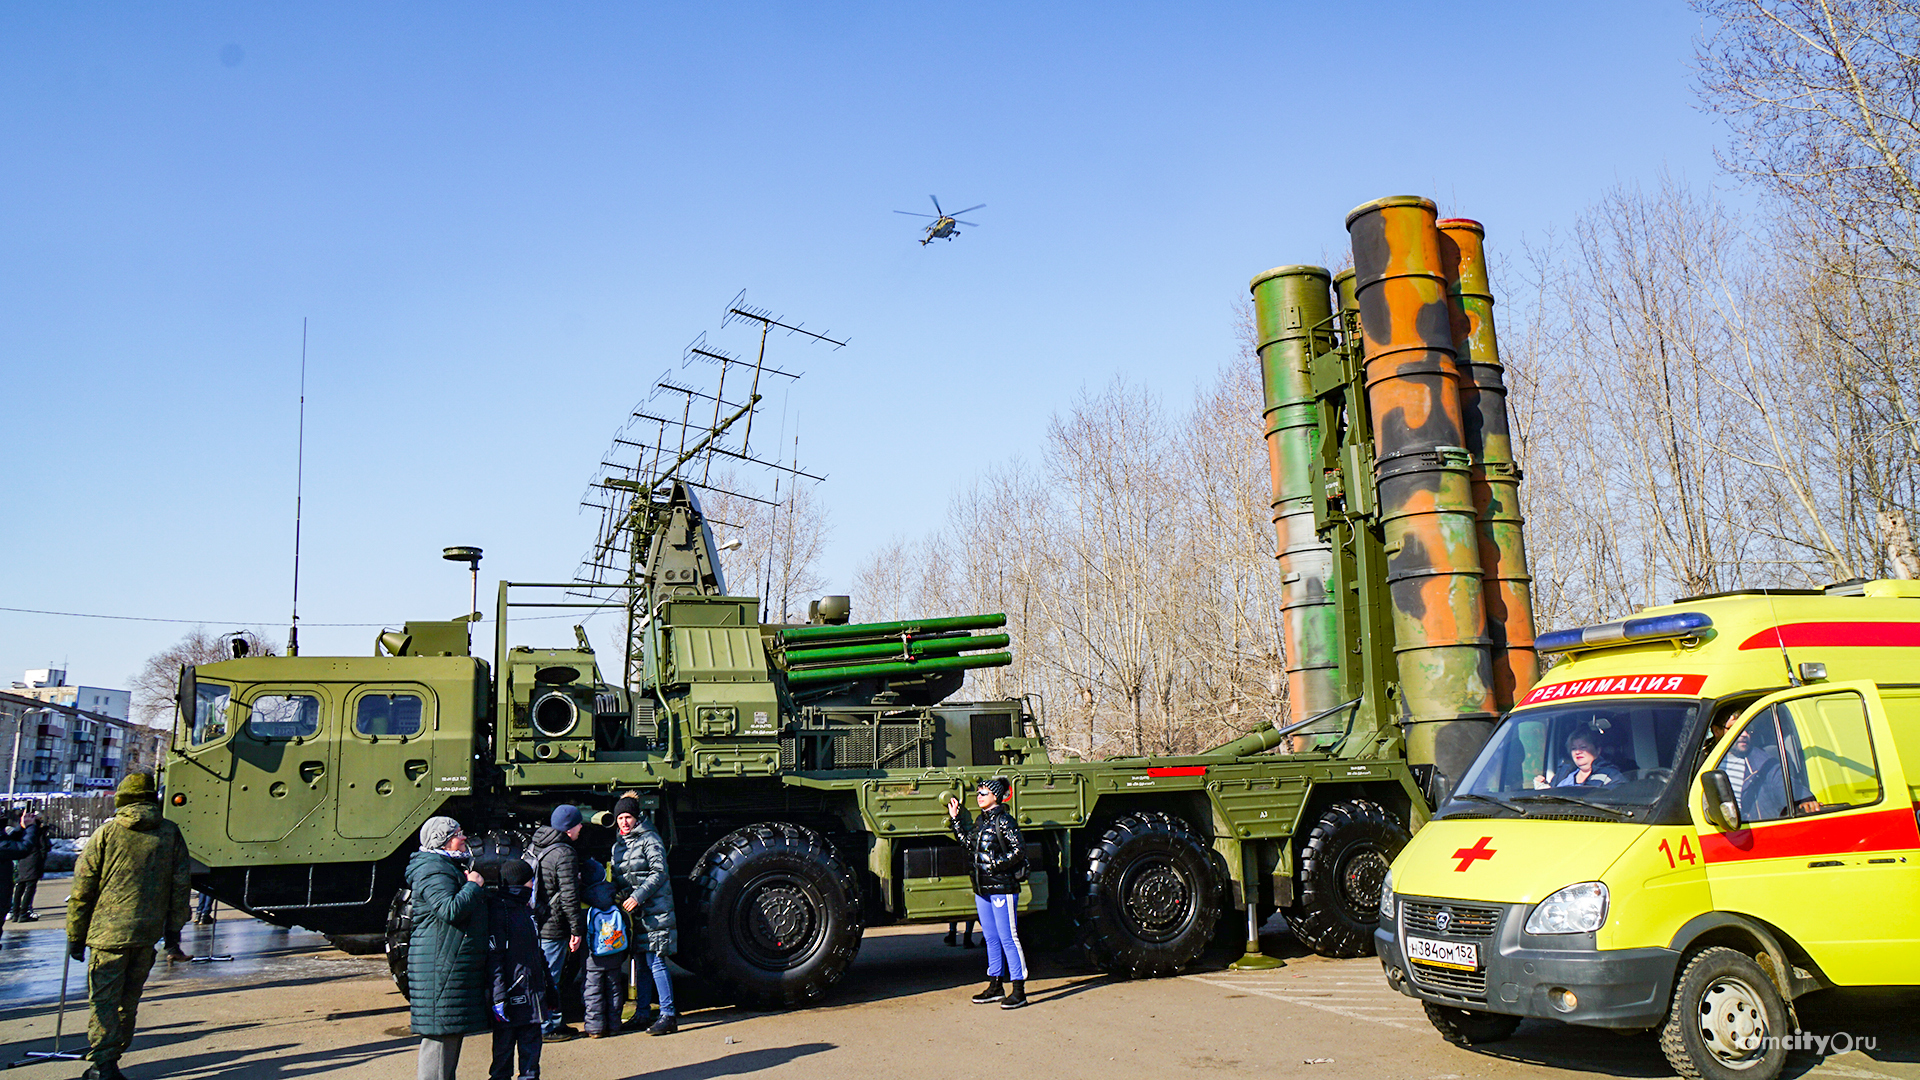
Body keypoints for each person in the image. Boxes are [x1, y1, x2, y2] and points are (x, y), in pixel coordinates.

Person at [65, 774, 189, 1080]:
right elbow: (181, 886)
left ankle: (103, 1066)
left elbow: (82, 890)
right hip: (146, 935)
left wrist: (75, 936)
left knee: (104, 1002)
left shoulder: (106, 833)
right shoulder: (170, 834)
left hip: (107, 935)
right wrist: (173, 932)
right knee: (129, 1001)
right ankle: (113, 1057)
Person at [407, 816, 490, 1080]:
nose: (464, 837)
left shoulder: (442, 865)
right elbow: (450, 909)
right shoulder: (433, 869)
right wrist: (472, 886)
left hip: (446, 963)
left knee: (448, 1036)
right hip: (441, 965)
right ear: (443, 840)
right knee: (441, 1040)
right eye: (458, 833)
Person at [946, 776, 1029, 1010]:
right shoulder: (981, 822)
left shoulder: (1005, 821)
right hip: (982, 889)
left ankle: (1019, 990)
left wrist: (996, 864)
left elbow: (1019, 850)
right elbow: (969, 844)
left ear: (996, 796)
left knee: (1008, 938)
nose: (979, 796)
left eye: (983, 793)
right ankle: (995, 985)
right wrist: (955, 821)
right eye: (978, 792)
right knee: (991, 938)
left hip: (1002, 887)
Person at [610, 795, 677, 1035]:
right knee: (640, 964)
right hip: (635, 916)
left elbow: (659, 872)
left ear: (636, 817)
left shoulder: (650, 839)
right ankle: (642, 1013)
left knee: (656, 962)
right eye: (620, 818)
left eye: (628, 817)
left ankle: (668, 1015)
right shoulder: (618, 846)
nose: (624, 822)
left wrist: (637, 896)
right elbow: (619, 878)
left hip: (655, 911)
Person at [522, 805, 586, 1041]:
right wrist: (576, 929)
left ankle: (555, 1022)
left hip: (538, 919)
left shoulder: (538, 844)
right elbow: (569, 895)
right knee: (550, 978)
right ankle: (546, 1027)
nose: (581, 828)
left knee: (545, 975)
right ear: (569, 828)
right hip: (554, 924)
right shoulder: (565, 853)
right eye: (578, 824)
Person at [486, 858, 548, 1080]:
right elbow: (495, 959)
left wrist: (549, 989)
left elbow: (536, 953)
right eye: (531, 881)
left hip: (532, 996)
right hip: (512, 995)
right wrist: (499, 996)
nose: (533, 885)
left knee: (531, 1060)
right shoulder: (500, 911)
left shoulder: (527, 910)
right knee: (502, 1057)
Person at [1534, 731, 1623, 788]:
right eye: (1573, 748)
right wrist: (1544, 788)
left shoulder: (1611, 776)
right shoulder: (1563, 773)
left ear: (1598, 750)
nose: (1578, 752)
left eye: (1583, 747)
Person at [5, 808, 46, 926]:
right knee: (29, 888)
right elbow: (42, 848)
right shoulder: (36, 831)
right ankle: (23, 913)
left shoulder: (23, 832)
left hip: (23, 861)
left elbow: (14, 840)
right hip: (33, 861)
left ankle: (16, 913)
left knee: (20, 887)